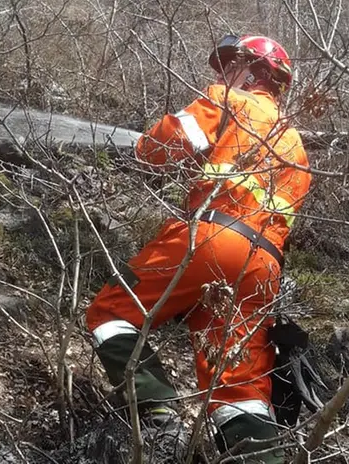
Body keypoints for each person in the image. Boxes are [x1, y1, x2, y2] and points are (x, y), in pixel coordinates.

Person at [85, 33, 311, 463]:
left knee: (110, 313)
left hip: (209, 238)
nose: (223, 74)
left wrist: (148, 147)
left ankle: (159, 416)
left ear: (252, 70)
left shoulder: (229, 100)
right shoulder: (295, 145)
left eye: (229, 65)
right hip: (261, 265)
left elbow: (158, 148)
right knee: (239, 383)